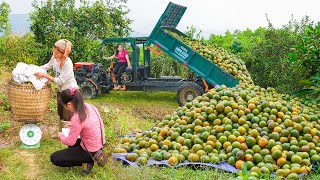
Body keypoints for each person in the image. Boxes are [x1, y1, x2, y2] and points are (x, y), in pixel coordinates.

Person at [50, 88, 105, 176]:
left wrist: (59, 135)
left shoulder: (77, 117)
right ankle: (94, 155)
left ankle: (88, 160)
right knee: (71, 134)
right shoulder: (90, 106)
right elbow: (90, 125)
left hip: (89, 150)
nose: (66, 108)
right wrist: (72, 125)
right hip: (99, 145)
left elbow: (70, 142)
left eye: (64, 106)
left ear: (69, 104)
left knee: (55, 158)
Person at [34, 39, 78, 122]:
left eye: (57, 52)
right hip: (61, 91)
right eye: (54, 51)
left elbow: (60, 81)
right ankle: (62, 133)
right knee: (60, 114)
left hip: (70, 92)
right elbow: (48, 66)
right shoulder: (54, 57)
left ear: (63, 53)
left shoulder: (67, 63)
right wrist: (35, 69)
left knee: (68, 116)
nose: (54, 53)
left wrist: (45, 75)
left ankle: (70, 134)